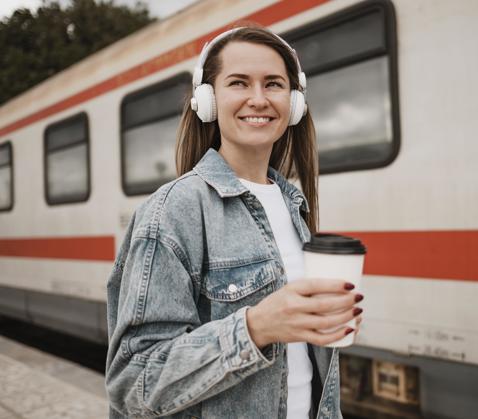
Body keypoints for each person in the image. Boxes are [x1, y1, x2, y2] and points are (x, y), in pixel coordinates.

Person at [105, 26, 364, 419]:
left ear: (293, 103)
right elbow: (133, 383)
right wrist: (257, 327)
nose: (258, 99)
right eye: (239, 83)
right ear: (208, 100)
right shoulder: (173, 211)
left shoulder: (292, 204)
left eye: (273, 84)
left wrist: (325, 326)